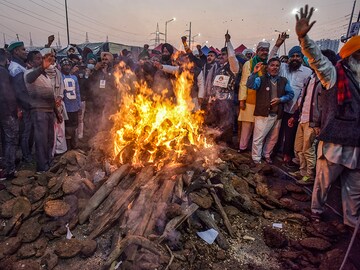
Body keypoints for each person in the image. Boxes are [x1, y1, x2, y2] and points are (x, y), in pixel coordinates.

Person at [296, 5, 360, 228]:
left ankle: (351, 224)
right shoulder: (335, 74)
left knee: (354, 191)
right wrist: (304, 39)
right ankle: (316, 211)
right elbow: (317, 61)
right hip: (335, 142)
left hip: (357, 145)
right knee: (323, 183)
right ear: (352, 56)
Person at [293, 49, 337, 185]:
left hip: (313, 122)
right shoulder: (310, 78)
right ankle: (302, 171)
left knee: (309, 150)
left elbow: (326, 106)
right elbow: (304, 98)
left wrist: (318, 124)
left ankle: (309, 176)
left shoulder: (326, 81)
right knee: (299, 148)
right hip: (303, 118)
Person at [270, 37, 312, 167]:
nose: (295, 58)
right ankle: (273, 152)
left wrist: (297, 111)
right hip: (279, 106)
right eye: (292, 56)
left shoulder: (307, 72)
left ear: (301, 58)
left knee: (290, 134)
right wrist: (277, 45)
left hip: (294, 109)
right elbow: (270, 60)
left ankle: (287, 155)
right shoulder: (283, 67)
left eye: (297, 56)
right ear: (288, 58)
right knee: (275, 131)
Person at [246, 58, 294, 164]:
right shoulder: (261, 79)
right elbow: (250, 85)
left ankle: (266, 154)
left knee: (273, 138)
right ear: (267, 67)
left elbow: (291, 94)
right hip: (263, 113)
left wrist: (280, 99)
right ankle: (256, 158)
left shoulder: (283, 80)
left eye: (277, 66)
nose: (274, 68)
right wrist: (254, 73)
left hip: (277, 114)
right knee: (259, 138)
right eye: (272, 65)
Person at [24, 50, 60, 173]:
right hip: (39, 112)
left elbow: (51, 96)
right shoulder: (28, 73)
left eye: (41, 58)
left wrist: (57, 112)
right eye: (37, 59)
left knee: (50, 139)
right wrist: (42, 67)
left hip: (49, 111)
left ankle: (49, 162)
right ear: (30, 62)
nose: (40, 61)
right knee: (41, 140)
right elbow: (29, 78)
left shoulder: (46, 76)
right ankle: (41, 167)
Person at [207, 32, 239, 145]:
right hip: (216, 101)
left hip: (227, 101)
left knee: (226, 124)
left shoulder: (233, 67)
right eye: (220, 55)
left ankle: (225, 146)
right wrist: (211, 98)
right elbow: (214, 84)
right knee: (215, 123)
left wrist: (228, 42)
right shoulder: (218, 68)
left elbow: (232, 57)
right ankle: (215, 145)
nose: (221, 57)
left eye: (223, 55)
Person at [238, 41, 270, 152]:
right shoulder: (249, 64)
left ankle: (256, 151)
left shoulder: (268, 65)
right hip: (250, 99)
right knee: (246, 126)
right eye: (262, 50)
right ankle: (242, 147)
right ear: (257, 51)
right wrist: (242, 99)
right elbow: (243, 82)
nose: (264, 52)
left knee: (260, 128)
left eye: (266, 50)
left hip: (263, 101)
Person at [7, 41, 33, 163]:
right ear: (16, 51)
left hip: (24, 105)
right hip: (23, 106)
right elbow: (20, 91)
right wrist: (29, 105)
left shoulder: (20, 66)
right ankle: (26, 157)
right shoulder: (16, 68)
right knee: (25, 132)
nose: (25, 51)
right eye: (23, 49)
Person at [0, 49, 18, 180]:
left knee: (4, 140)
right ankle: (9, 170)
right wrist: (14, 110)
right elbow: (7, 92)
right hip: (5, 111)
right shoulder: (3, 72)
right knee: (10, 139)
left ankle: (4, 166)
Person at [60, 58, 81, 150]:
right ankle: (67, 147)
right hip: (65, 107)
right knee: (67, 127)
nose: (67, 67)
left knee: (74, 126)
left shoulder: (74, 77)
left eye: (68, 65)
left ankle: (74, 145)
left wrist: (79, 105)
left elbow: (77, 92)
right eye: (65, 65)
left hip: (74, 106)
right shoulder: (60, 77)